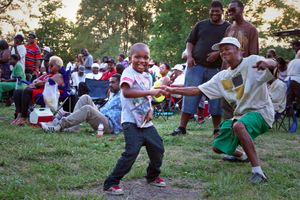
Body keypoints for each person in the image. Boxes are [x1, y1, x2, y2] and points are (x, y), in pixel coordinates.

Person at [164, 37, 277, 184]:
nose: (223, 52)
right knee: (217, 147)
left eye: (227, 48)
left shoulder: (252, 62)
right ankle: (243, 156)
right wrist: (170, 89)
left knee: (238, 125)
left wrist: (268, 62)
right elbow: (197, 90)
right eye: (221, 50)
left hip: (261, 112)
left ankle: (258, 172)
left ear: (239, 50)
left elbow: (274, 64)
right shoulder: (222, 76)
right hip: (241, 116)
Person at [103, 43, 167, 195]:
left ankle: (152, 176)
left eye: (145, 57)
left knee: (158, 148)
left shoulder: (147, 76)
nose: (141, 60)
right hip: (131, 121)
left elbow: (147, 98)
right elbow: (126, 92)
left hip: (146, 121)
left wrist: (150, 110)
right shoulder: (128, 72)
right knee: (131, 152)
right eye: (137, 57)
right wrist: (151, 91)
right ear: (130, 58)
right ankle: (111, 183)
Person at [171, 1, 230, 136]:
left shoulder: (228, 28)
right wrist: (189, 57)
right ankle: (182, 127)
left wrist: (218, 53)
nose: (214, 13)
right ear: (209, 11)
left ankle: (217, 129)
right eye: (212, 11)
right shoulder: (201, 25)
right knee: (188, 96)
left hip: (216, 69)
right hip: (196, 66)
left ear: (222, 11)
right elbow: (190, 42)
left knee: (216, 98)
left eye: (217, 11)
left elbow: (229, 46)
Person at [41, 74, 122, 134]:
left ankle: (59, 126)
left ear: (120, 83)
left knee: (88, 109)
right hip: (102, 115)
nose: (110, 85)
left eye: (113, 82)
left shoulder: (124, 96)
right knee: (85, 97)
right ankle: (73, 127)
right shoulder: (114, 94)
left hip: (109, 125)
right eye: (110, 82)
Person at [222, 0, 259, 120]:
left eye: (233, 9)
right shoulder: (229, 29)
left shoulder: (251, 29)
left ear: (242, 10)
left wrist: (250, 73)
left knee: (239, 103)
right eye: (229, 10)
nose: (230, 12)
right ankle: (227, 130)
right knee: (227, 101)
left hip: (241, 72)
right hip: (227, 71)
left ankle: (240, 131)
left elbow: (254, 54)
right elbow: (224, 50)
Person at [12, 56, 64, 126]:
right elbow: (35, 81)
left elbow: (50, 82)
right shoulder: (46, 74)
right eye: (49, 65)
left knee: (27, 91)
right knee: (18, 91)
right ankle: (19, 114)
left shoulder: (59, 75)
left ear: (58, 67)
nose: (49, 66)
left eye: (52, 65)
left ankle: (23, 118)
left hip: (48, 92)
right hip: (39, 89)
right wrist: (33, 84)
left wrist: (41, 82)